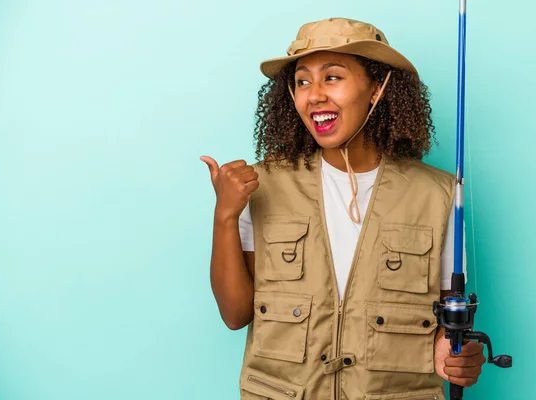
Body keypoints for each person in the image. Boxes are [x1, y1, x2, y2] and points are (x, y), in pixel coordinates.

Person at [201, 17, 485, 400]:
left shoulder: (439, 195)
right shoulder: (261, 184)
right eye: (302, 81)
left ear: (377, 88)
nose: (314, 95)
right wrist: (225, 215)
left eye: (332, 77)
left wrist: (453, 354)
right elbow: (235, 315)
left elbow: (449, 322)